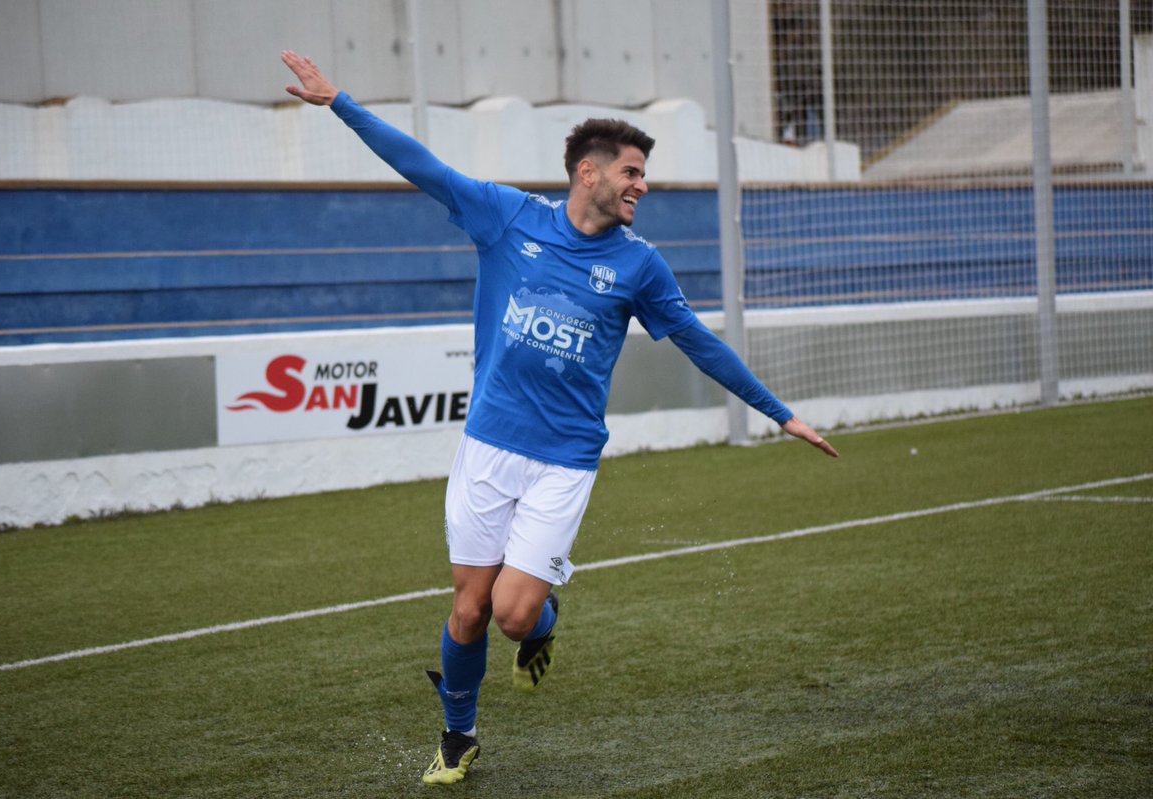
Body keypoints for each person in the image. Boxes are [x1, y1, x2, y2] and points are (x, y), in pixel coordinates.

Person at [281, 50, 839, 786]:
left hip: (564, 459)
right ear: (590, 172)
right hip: (488, 446)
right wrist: (339, 102)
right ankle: (459, 733)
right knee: (469, 609)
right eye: (632, 172)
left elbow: (699, 341)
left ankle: (542, 623)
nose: (643, 184)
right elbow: (423, 166)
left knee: (513, 614)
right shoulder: (508, 217)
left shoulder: (640, 266)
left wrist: (780, 413)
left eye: (643, 173)